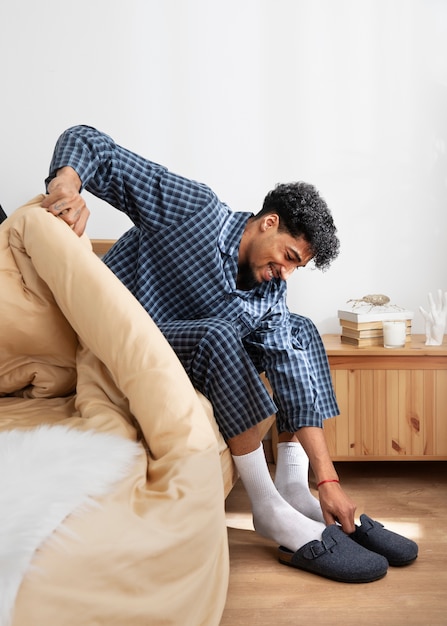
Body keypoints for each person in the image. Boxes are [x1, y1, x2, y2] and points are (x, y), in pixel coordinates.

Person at [41, 125, 417, 582]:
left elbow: (293, 371)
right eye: (289, 257)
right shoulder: (193, 211)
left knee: (298, 332)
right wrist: (65, 186)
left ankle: (295, 491)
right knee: (220, 333)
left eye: (296, 267)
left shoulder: (270, 293)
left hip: (182, 355)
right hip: (117, 337)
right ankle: (268, 509)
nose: (285, 273)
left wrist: (329, 481)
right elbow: (93, 144)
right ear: (269, 222)